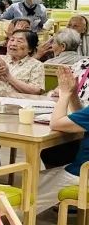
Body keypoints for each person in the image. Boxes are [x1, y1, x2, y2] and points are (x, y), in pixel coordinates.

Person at [38, 66, 89, 213]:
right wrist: (73, 95)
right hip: (80, 168)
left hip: (82, 174)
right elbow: (81, 118)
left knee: (25, 197)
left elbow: (56, 123)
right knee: (34, 180)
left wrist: (64, 94)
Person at [0, 28, 44, 96]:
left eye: (19, 41)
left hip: (13, 101)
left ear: (30, 49)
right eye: (12, 40)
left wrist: (8, 77)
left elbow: (36, 91)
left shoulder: (36, 65)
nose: (13, 44)